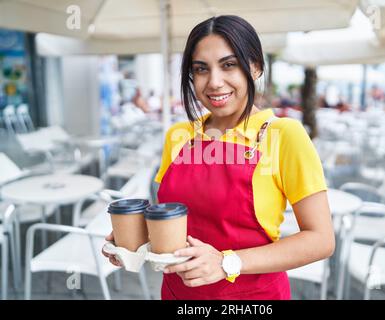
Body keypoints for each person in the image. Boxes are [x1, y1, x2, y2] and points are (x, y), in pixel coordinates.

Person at [103, 15, 334, 300]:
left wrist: (228, 263)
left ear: (256, 67)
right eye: (201, 69)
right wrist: (133, 240)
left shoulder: (284, 135)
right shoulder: (179, 135)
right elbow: (176, 227)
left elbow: (321, 239)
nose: (214, 82)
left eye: (229, 65)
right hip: (179, 295)